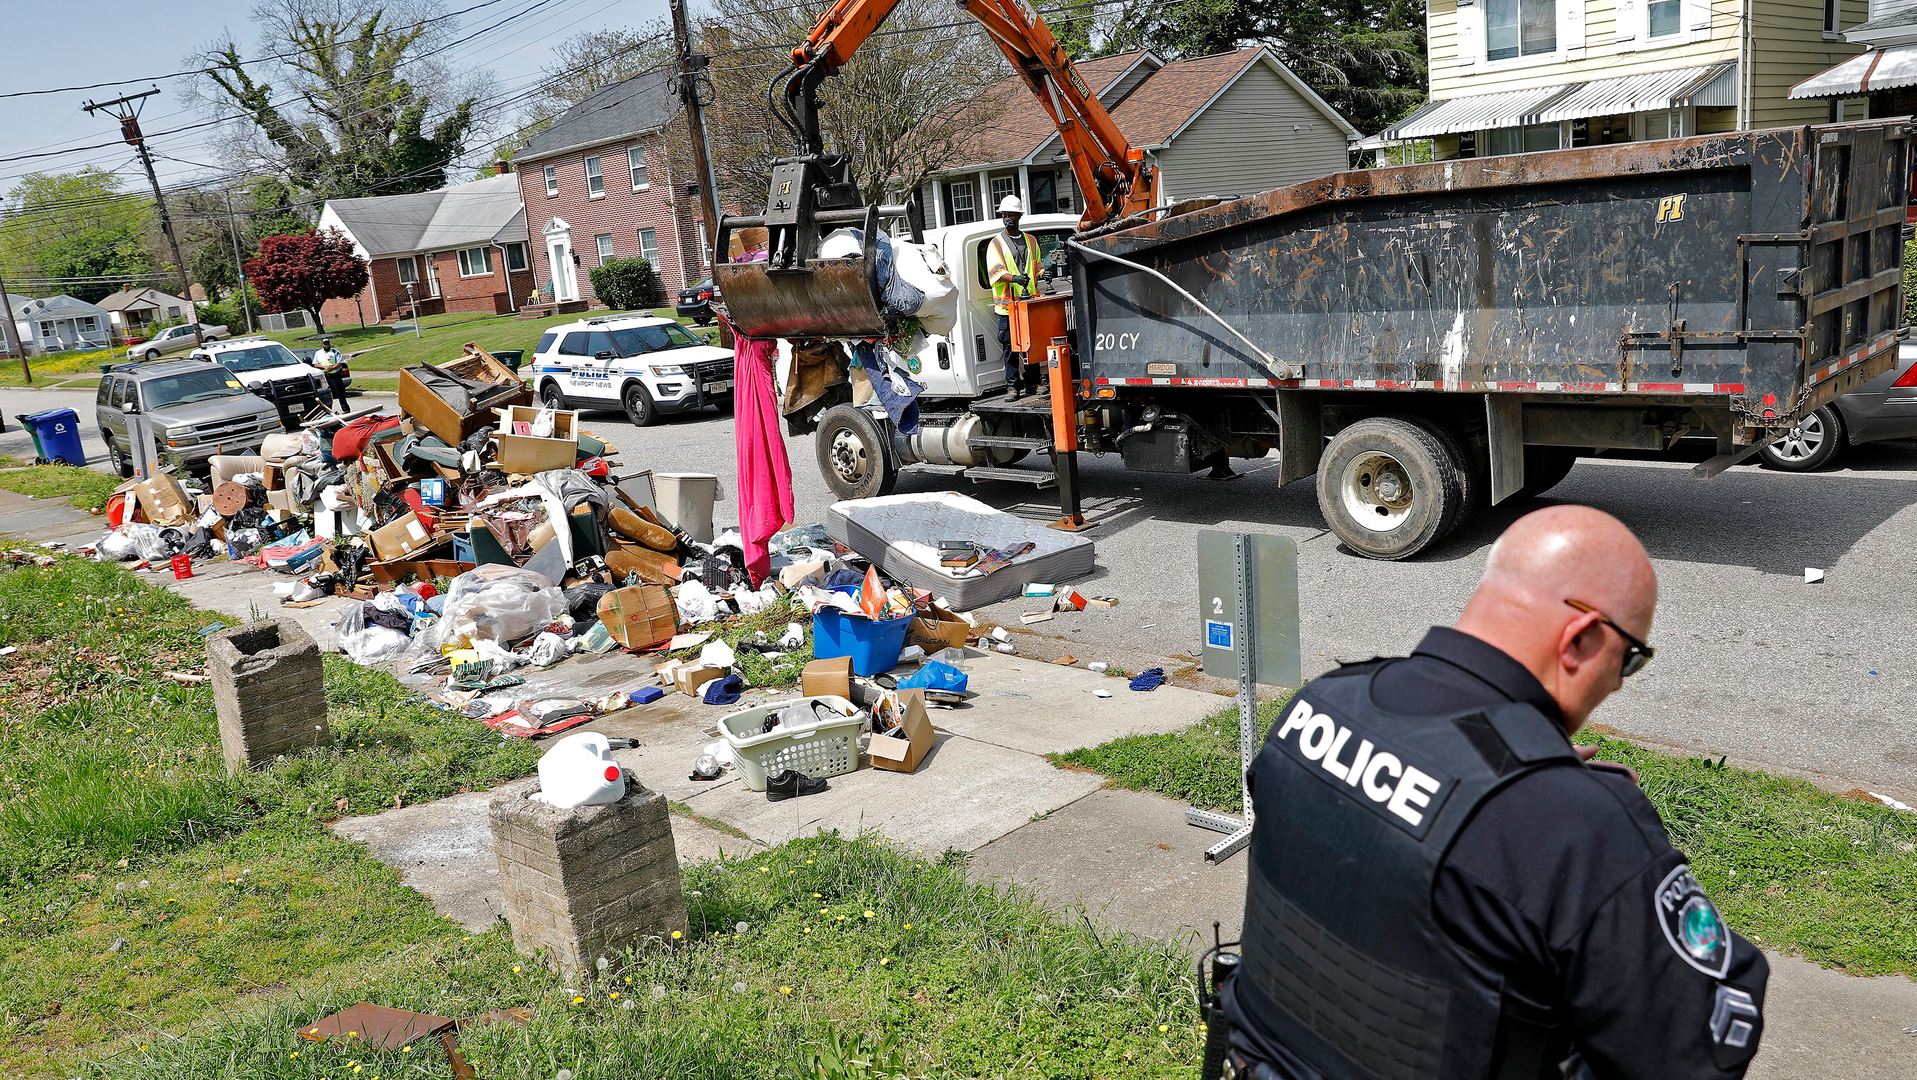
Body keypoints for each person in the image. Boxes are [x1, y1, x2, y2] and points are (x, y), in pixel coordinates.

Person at [1221, 505, 1768, 1080]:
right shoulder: (1573, 824)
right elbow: (1702, 1041)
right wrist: (1591, 824)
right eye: (1628, 660)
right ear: (1581, 640)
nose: (1616, 683)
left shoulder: (1326, 700)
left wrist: (1540, 790)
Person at [984, 194, 1041, 401]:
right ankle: (1012, 387)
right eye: (1005, 215)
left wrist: (1044, 273)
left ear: (1019, 216)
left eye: (1012, 215)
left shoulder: (1031, 242)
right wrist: (1015, 278)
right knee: (1010, 349)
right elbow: (996, 272)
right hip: (1007, 308)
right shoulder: (996, 244)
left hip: (1028, 305)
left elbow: (1037, 266)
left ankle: (1033, 383)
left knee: (1030, 345)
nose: (1008, 218)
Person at [311, 337, 349, 411]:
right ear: (322, 345)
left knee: (340, 393)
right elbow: (315, 364)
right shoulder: (318, 353)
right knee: (326, 395)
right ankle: (327, 411)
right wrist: (324, 367)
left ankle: (345, 410)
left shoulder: (335, 352)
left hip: (335, 375)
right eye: (325, 344)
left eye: (327, 344)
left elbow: (340, 362)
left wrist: (332, 368)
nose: (326, 345)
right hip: (325, 376)